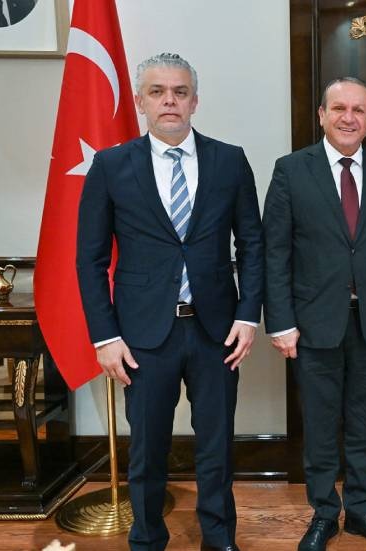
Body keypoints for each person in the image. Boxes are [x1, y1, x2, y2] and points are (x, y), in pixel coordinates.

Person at [76, 52, 263, 551]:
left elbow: (253, 244)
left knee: (217, 447)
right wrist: (105, 337)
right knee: (147, 450)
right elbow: (90, 259)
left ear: (195, 101)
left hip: (216, 331)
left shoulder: (229, 160)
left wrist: (248, 315)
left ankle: (219, 538)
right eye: (157, 92)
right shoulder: (111, 166)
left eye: (180, 92)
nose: (170, 101)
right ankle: (147, 540)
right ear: (140, 101)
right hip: (142, 336)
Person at [262, 76, 366, 551]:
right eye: (338, 109)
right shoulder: (292, 170)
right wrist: (281, 322)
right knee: (320, 424)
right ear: (322, 115)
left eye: (358, 111)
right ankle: (324, 514)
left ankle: (362, 511)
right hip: (313, 322)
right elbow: (275, 253)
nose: (348, 118)